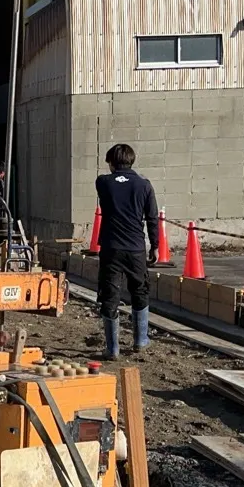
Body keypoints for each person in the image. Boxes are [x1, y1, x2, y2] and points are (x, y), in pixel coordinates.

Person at [94, 143, 159, 357]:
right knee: (140, 290)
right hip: (135, 248)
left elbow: (112, 183)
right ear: (132, 161)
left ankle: (112, 348)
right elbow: (152, 218)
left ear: (111, 162)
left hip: (111, 248)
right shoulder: (144, 185)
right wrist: (155, 246)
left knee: (110, 294)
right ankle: (140, 340)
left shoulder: (103, 182)